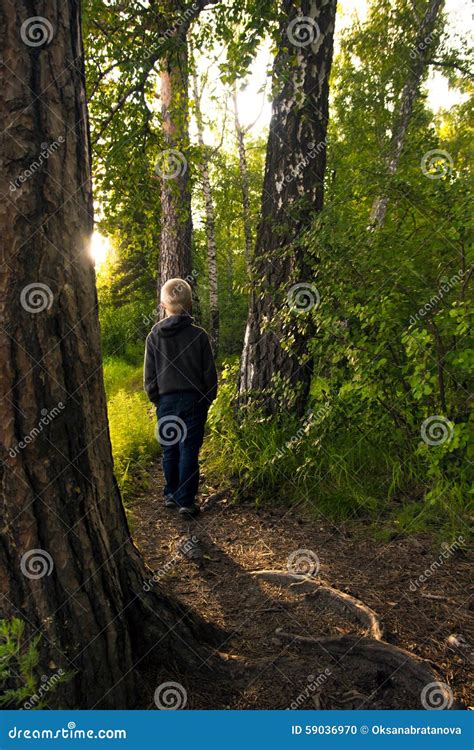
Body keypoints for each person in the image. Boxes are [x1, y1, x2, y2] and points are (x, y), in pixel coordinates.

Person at [144, 278, 217, 518]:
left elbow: (150, 376)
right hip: (194, 401)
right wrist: (207, 399)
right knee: (189, 450)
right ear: (190, 305)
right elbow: (209, 374)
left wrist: (157, 399)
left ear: (163, 305)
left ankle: (170, 493)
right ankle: (186, 501)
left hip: (166, 402)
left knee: (170, 449)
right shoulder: (200, 336)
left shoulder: (154, 335)